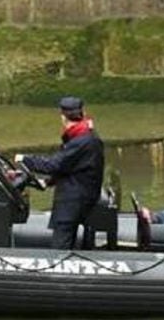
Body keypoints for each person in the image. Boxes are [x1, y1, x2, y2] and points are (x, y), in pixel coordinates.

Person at [15, 96, 104, 250]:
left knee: (61, 241)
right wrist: (48, 182)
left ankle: (60, 264)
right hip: (81, 193)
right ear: (83, 112)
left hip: (74, 199)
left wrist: (25, 159)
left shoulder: (81, 141)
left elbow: (55, 165)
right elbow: (70, 166)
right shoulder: (87, 135)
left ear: (63, 117)